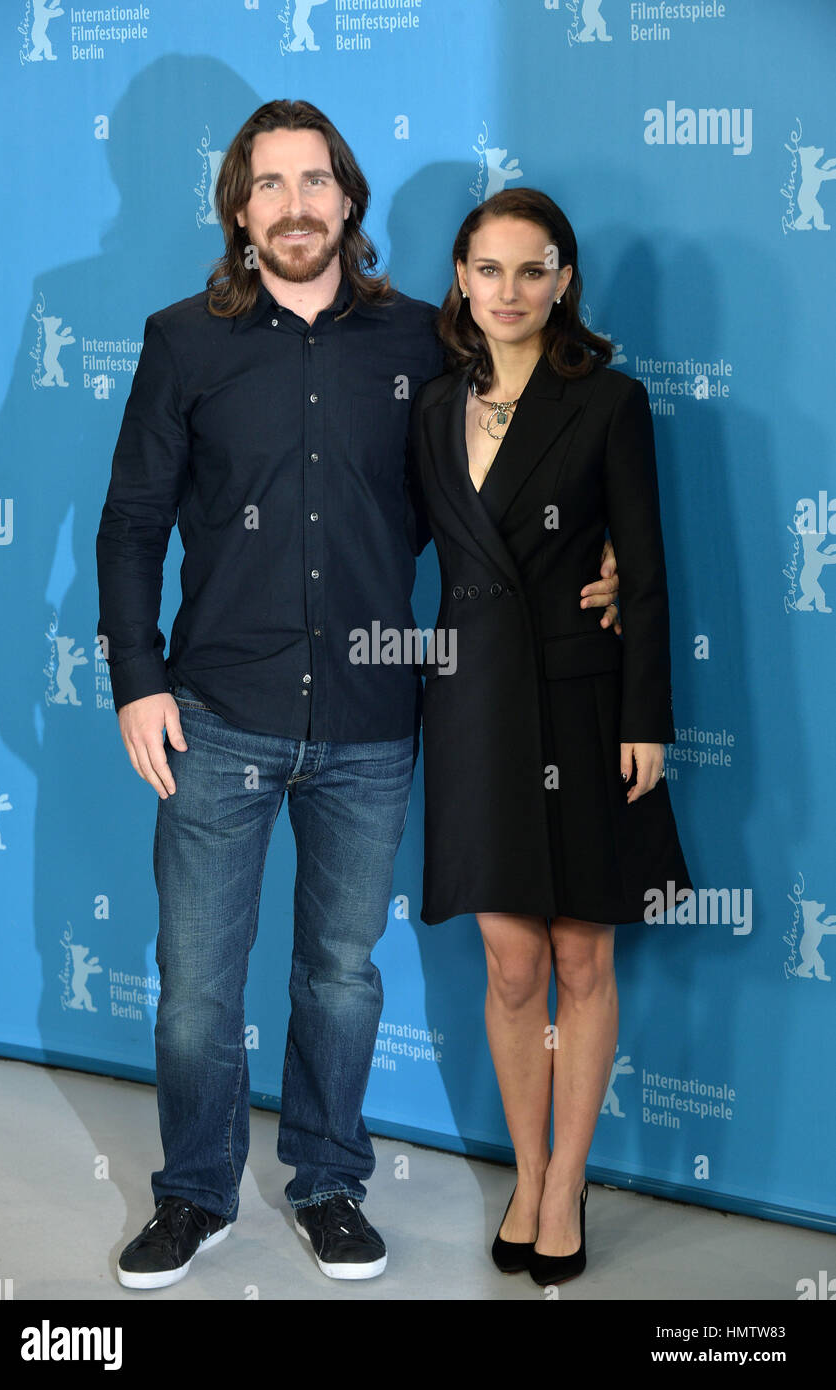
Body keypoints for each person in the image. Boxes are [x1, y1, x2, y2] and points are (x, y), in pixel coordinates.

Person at [96, 102, 621, 1289]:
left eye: (315, 182)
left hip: (379, 717)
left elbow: (521, 457)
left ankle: (330, 1182)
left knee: (340, 975)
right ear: (240, 207)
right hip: (215, 713)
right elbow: (132, 522)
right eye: (270, 185)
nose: (294, 205)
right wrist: (137, 679)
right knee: (196, 988)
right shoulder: (182, 340)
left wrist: (608, 557)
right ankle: (193, 1195)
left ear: (348, 201)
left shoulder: (420, 344)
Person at [405, 188, 693, 1287]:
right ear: (461, 279)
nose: (511, 292)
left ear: (564, 279)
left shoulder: (607, 401)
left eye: (534, 270)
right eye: (489, 269)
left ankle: (567, 1181)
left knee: (582, 953)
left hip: (583, 701)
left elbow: (649, 572)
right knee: (512, 964)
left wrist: (646, 722)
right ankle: (527, 1171)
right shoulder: (429, 407)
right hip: (474, 702)